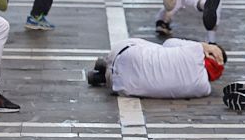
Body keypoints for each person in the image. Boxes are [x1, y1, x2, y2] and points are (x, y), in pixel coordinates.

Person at [86, 38, 226, 99]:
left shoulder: (195, 50)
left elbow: (169, 43)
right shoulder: (204, 89)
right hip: (120, 87)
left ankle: (105, 64)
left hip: (124, 55)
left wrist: (203, 46)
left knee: (157, 49)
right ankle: (102, 76)